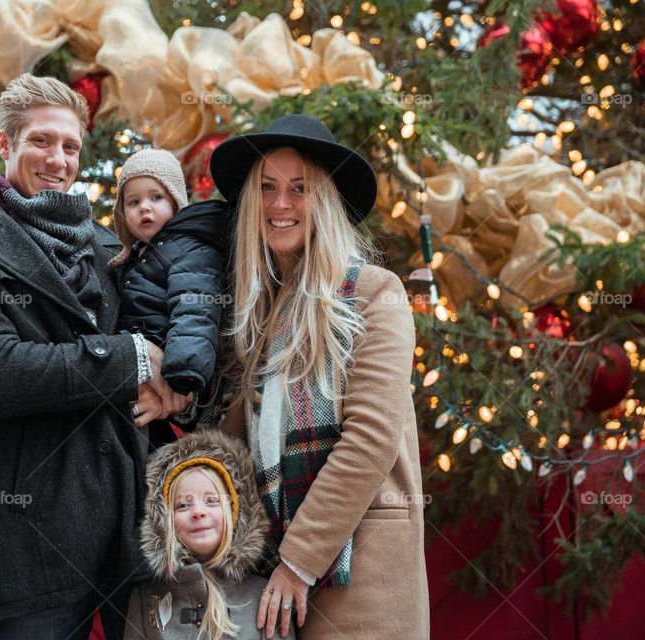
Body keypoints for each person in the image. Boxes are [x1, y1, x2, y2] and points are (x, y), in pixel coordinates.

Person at [0, 73, 190, 639]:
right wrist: (129, 357)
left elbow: (170, 339)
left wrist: (180, 381)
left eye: (70, 146)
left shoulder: (113, 249)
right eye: (40, 141)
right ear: (6, 144)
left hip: (141, 530)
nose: (57, 159)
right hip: (32, 541)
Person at [206, 114, 429, 639]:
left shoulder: (377, 293)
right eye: (267, 188)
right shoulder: (262, 316)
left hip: (360, 577)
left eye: (299, 189)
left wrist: (299, 562)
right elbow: (240, 445)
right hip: (276, 586)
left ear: (324, 202)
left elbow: (369, 440)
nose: (280, 205)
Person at [109, 148, 229, 453]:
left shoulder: (190, 249)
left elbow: (195, 307)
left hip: (173, 372)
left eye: (156, 198)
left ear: (176, 203)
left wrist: (183, 371)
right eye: (133, 202)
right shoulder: (134, 257)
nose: (144, 208)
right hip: (135, 367)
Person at [124, 429, 294, 640]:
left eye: (212, 501)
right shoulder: (144, 597)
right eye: (183, 505)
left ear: (235, 513)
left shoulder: (265, 593)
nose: (197, 512)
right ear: (164, 521)